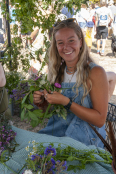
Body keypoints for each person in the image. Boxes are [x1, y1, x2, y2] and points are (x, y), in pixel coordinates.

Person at [33, 19, 115, 148]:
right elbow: (53, 114)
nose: (66, 47)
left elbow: (99, 121)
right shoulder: (56, 72)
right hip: (58, 135)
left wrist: (67, 102)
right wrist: (42, 103)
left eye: (71, 40)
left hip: (85, 142)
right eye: (60, 43)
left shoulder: (95, 72)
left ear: (81, 42)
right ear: (56, 46)